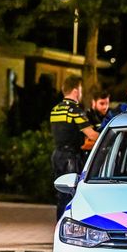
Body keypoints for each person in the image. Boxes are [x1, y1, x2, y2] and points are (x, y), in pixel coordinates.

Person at [50, 75, 99, 219]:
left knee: (61, 195)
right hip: (70, 158)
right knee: (71, 196)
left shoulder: (55, 110)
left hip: (57, 155)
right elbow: (91, 135)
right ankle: (68, 229)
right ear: (76, 91)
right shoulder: (75, 111)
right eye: (81, 90)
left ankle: (59, 225)